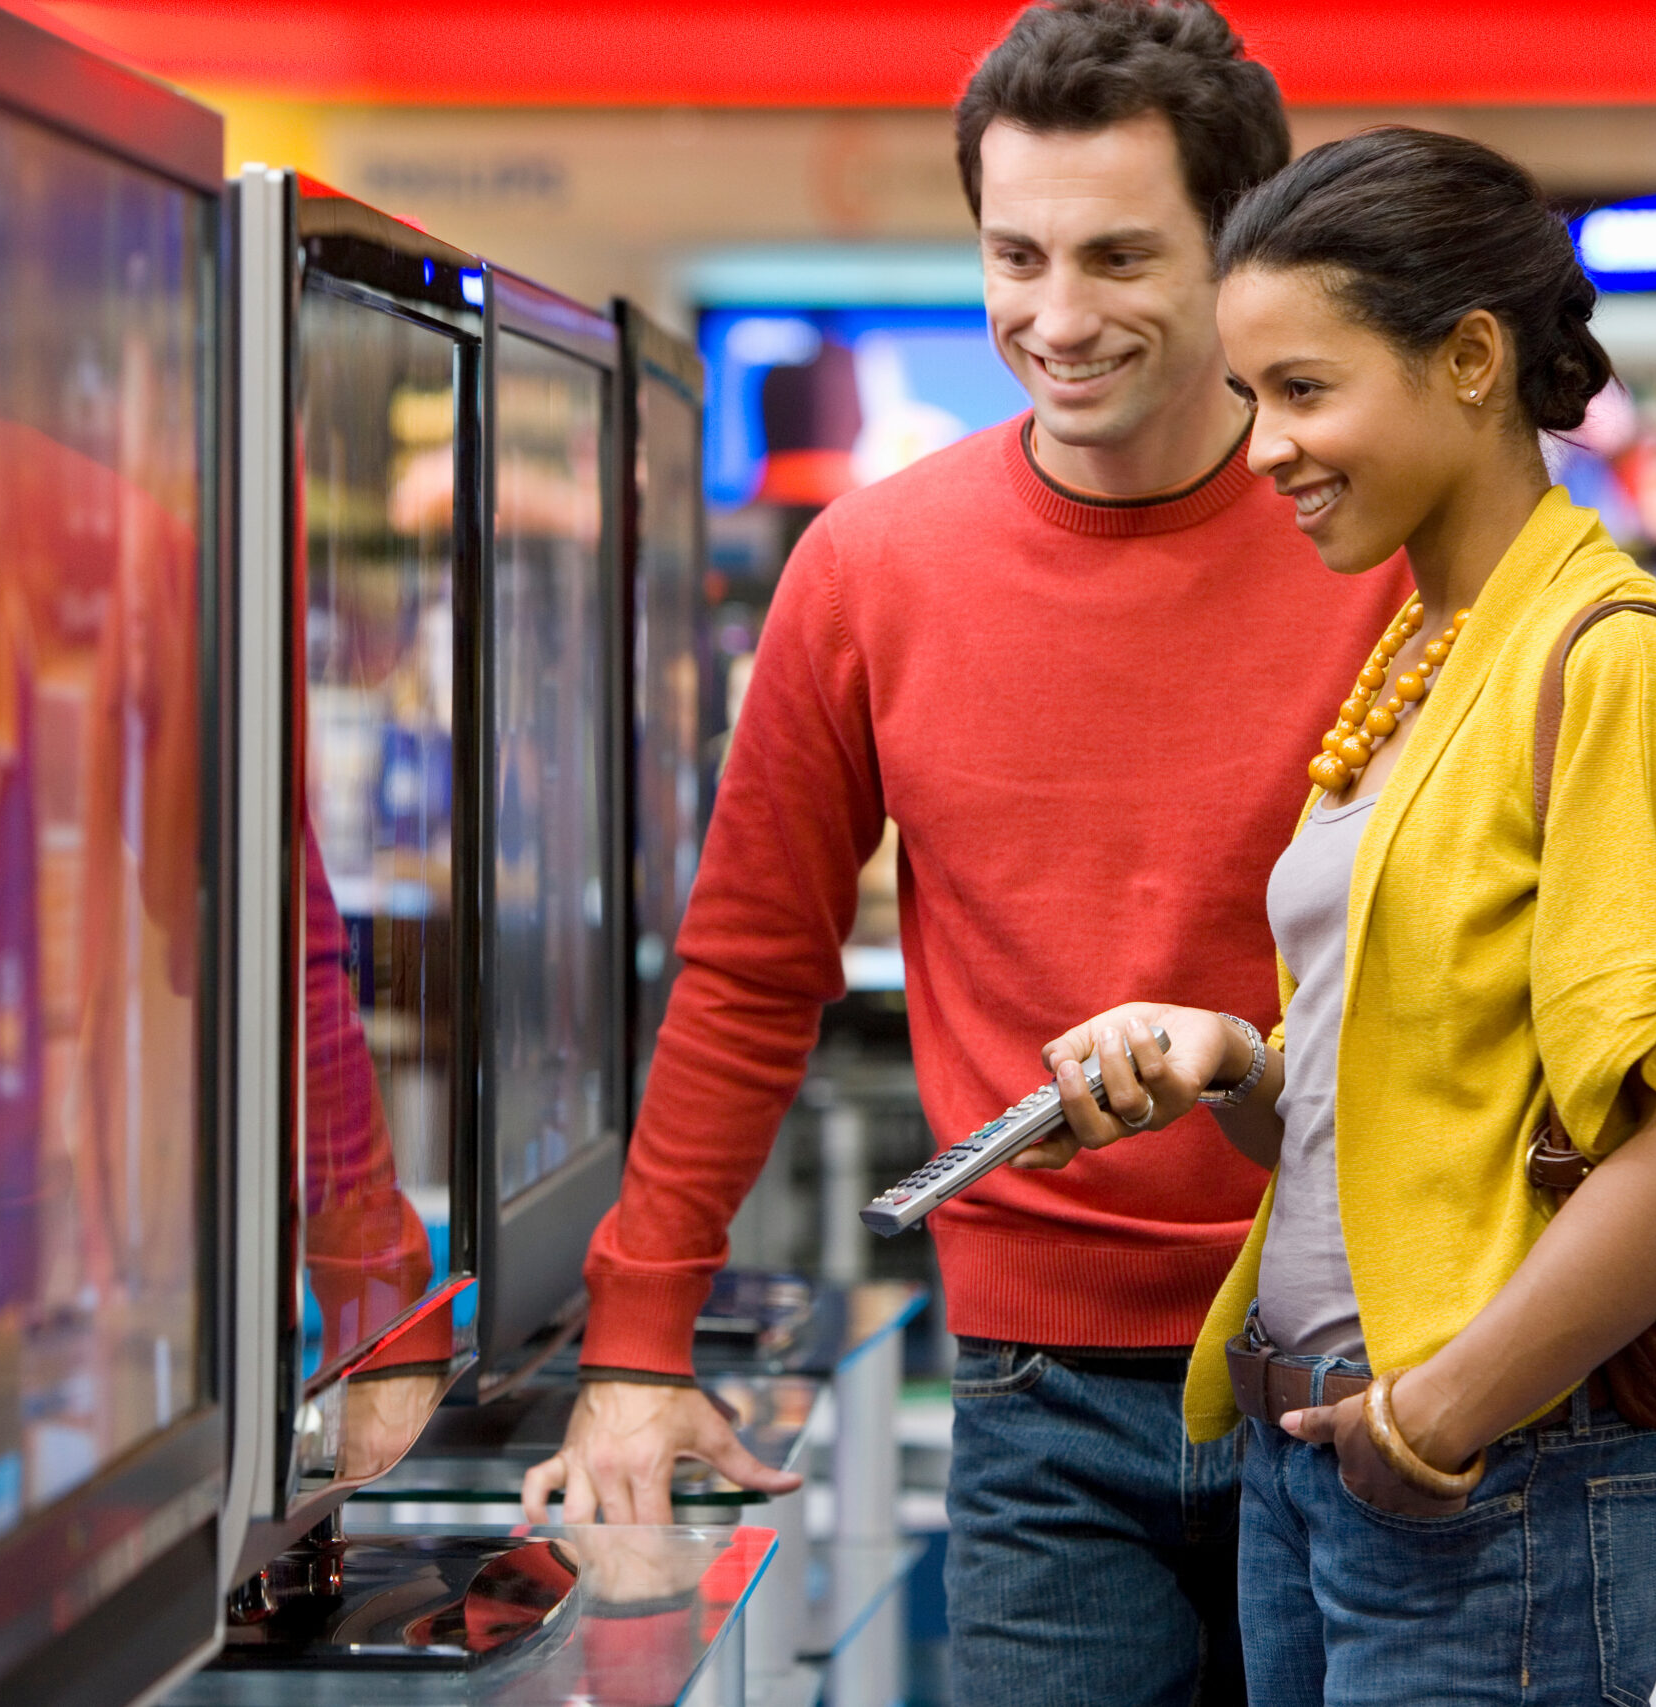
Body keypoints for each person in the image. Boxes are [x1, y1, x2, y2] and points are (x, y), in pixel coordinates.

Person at [521, 3, 1411, 1701]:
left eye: (1119, 257)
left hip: (1368, 1363)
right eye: (1017, 254)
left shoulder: (1387, 552)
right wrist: (638, 1339)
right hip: (1041, 1392)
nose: (1055, 318)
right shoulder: (871, 570)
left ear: (1240, 251)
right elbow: (749, 964)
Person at [1040, 128, 1656, 1705]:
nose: (1262, 446)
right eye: (1254, 396)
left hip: (1486, 1481)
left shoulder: (1613, 667)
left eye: (1306, 390)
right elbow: (1429, 1110)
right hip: (1326, 1460)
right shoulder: (1428, 655)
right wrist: (1242, 1068)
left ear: (1471, 359)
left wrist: (1444, 1413)